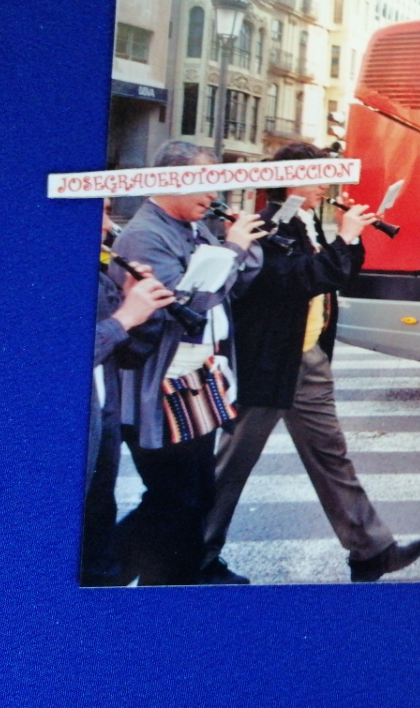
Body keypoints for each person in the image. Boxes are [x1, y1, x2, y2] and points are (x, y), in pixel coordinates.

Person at [201, 142, 420, 584]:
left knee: (331, 456)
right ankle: (195, 557)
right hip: (268, 362)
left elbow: (337, 274)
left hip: (307, 358)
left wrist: (351, 237)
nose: (326, 184)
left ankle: (371, 549)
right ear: (290, 179)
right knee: (230, 467)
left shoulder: (306, 223)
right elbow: (304, 279)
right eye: (317, 175)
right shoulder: (266, 227)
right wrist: (346, 238)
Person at [112, 142, 265, 585]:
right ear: (169, 181)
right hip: (158, 387)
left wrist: (241, 243)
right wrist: (232, 250)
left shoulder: (193, 226)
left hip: (193, 380)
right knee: (174, 496)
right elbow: (185, 307)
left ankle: (174, 573)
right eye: (204, 183)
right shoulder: (146, 235)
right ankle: (110, 570)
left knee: (195, 492)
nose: (212, 194)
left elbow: (238, 283)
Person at [81, 200, 174, 586]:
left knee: (98, 520)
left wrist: (141, 305)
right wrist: (124, 318)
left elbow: (131, 356)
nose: (107, 224)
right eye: (98, 212)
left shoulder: (101, 278)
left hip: (103, 420)